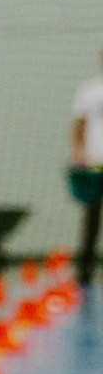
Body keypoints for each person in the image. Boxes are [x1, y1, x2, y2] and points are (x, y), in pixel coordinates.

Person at [72, 49, 103, 286]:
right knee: (91, 217)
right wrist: (77, 155)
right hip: (95, 163)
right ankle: (85, 269)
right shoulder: (90, 90)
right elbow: (79, 125)